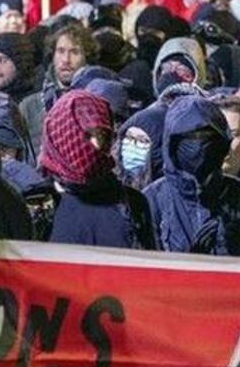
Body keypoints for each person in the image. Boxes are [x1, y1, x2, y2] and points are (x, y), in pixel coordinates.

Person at [144, 96, 240, 258]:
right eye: (191, 137)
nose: (199, 145)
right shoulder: (153, 200)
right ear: (173, 143)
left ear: (221, 143)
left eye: (207, 137)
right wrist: (189, 263)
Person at [39, 89, 155, 249]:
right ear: (60, 135)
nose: (95, 146)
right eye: (85, 136)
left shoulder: (132, 203)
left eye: (101, 136)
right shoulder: (39, 204)